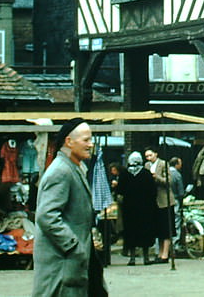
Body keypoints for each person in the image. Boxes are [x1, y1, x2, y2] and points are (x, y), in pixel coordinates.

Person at [32, 118, 106, 297]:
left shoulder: (74, 167)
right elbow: (47, 216)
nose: (90, 145)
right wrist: (74, 246)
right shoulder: (60, 171)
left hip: (76, 264)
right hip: (62, 267)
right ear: (69, 141)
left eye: (91, 139)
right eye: (86, 140)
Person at [114, 152, 156, 265]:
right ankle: (146, 257)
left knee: (131, 231)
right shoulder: (146, 174)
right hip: (145, 208)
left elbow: (120, 190)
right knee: (145, 231)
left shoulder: (124, 174)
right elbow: (153, 191)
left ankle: (132, 257)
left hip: (129, 208)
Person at [144, 147, 172, 262]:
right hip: (153, 201)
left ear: (156, 154)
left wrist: (157, 177)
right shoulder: (147, 166)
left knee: (166, 228)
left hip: (164, 200)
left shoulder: (163, 164)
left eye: (150, 155)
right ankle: (159, 253)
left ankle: (165, 254)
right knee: (158, 229)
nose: (149, 158)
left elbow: (169, 181)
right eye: (146, 156)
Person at [168, 157, 184, 240]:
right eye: (180, 163)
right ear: (176, 164)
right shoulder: (177, 175)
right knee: (176, 222)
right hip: (175, 200)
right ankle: (175, 244)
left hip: (164, 202)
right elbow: (181, 192)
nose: (181, 165)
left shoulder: (165, 173)